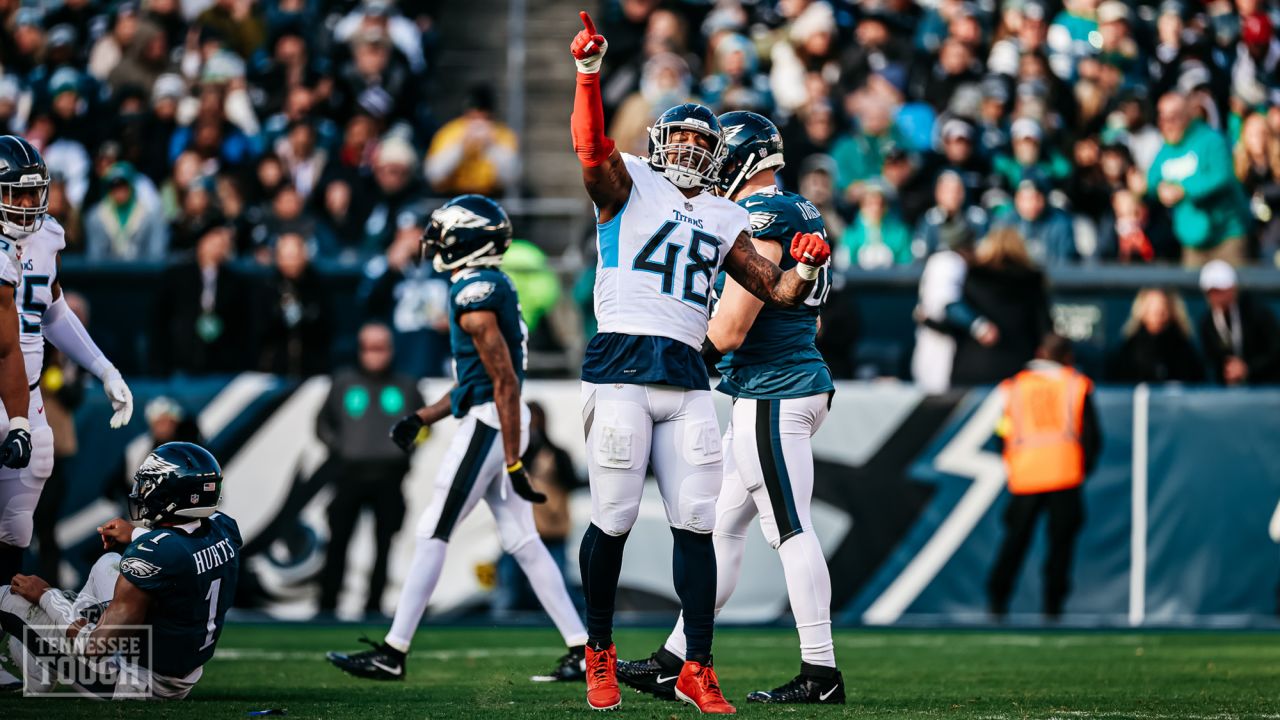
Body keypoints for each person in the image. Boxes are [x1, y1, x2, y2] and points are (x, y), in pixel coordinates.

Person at [569, 13, 829, 714]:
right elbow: (590, 146)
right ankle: (598, 652)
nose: (686, 147)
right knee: (615, 518)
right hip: (622, 364)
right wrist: (589, 76)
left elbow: (770, 289)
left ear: (717, 155)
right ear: (658, 143)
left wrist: (801, 274)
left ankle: (697, 667)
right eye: (677, 137)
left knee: (696, 523)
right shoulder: (629, 184)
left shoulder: (723, 214)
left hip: (686, 378)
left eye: (698, 140)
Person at [618, 111, 845, 705]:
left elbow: (733, 325)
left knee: (790, 530)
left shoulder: (768, 213)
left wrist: (673, 362)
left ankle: (820, 671)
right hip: (780, 382)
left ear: (742, 157)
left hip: (774, 389)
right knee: (721, 532)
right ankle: (675, 659)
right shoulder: (794, 210)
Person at [326, 195, 590, 685]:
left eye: (443, 233)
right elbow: (476, 380)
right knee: (524, 541)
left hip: (492, 425)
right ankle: (583, 650)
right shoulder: (484, 284)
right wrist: (423, 415)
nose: (434, 242)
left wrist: (513, 458)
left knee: (433, 529)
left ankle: (393, 650)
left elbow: (503, 383)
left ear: (467, 240)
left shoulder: (475, 296)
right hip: (495, 419)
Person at [0, 442, 240, 699]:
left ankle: (40, 662)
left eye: (149, 484)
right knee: (108, 563)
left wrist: (47, 596)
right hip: (175, 671)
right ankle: (58, 643)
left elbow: (93, 646)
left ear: (172, 494)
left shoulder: (151, 555)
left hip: (133, 683)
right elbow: (182, 551)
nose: (142, 491)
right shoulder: (224, 529)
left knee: (7, 597)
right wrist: (135, 533)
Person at [0, 136, 132, 591]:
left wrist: (104, 368)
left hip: (28, 391)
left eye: (30, 191)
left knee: (18, 523)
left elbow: (53, 311)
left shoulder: (47, 235)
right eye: (12, 191)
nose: (23, 203)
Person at [988, 334, 1101, 620]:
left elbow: (1002, 430)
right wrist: (1083, 467)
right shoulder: (1075, 384)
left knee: (1015, 541)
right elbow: (1091, 435)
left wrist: (1012, 461)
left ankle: (997, 600)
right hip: (1064, 472)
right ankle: (1053, 605)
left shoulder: (1016, 386)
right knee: (1060, 546)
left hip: (1026, 473)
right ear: (1067, 357)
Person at [316, 323, 422, 616]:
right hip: (350, 473)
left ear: (391, 349)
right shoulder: (344, 383)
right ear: (359, 349)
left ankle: (374, 605)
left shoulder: (406, 385)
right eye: (369, 347)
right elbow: (323, 424)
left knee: (384, 543)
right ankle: (327, 604)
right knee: (338, 541)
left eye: (381, 347)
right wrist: (343, 448)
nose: (375, 355)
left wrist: (404, 450)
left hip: (389, 475)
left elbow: (422, 427)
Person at [1147, 92, 1250, 267]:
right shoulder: (1166, 150)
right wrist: (1158, 189)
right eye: (1162, 118)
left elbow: (1222, 176)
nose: (1167, 125)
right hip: (1192, 241)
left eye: (1173, 117)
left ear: (1188, 115)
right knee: (1192, 293)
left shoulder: (1211, 140)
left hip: (1226, 236)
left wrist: (1183, 189)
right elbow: (1152, 179)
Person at [950, 228, 1054, 387]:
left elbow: (952, 317)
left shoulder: (971, 277)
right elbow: (1044, 329)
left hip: (971, 370)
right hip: (1018, 373)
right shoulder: (1032, 282)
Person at [912, 223, 978, 394]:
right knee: (939, 393)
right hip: (942, 340)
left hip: (930, 334)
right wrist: (978, 326)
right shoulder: (952, 262)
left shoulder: (937, 259)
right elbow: (949, 306)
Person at [1197, 260, 1280, 386]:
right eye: (1211, 292)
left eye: (1220, 290)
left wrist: (1248, 368)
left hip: (1264, 386)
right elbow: (1211, 362)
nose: (1216, 296)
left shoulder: (1257, 312)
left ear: (1233, 288)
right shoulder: (1207, 323)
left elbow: (1274, 351)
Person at [1108, 288, 1203, 383]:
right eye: (1154, 310)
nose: (1159, 316)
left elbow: (1196, 382)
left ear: (1171, 311)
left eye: (1163, 310)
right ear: (1143, 311)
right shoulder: (1130, 350)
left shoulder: (1184, 348)